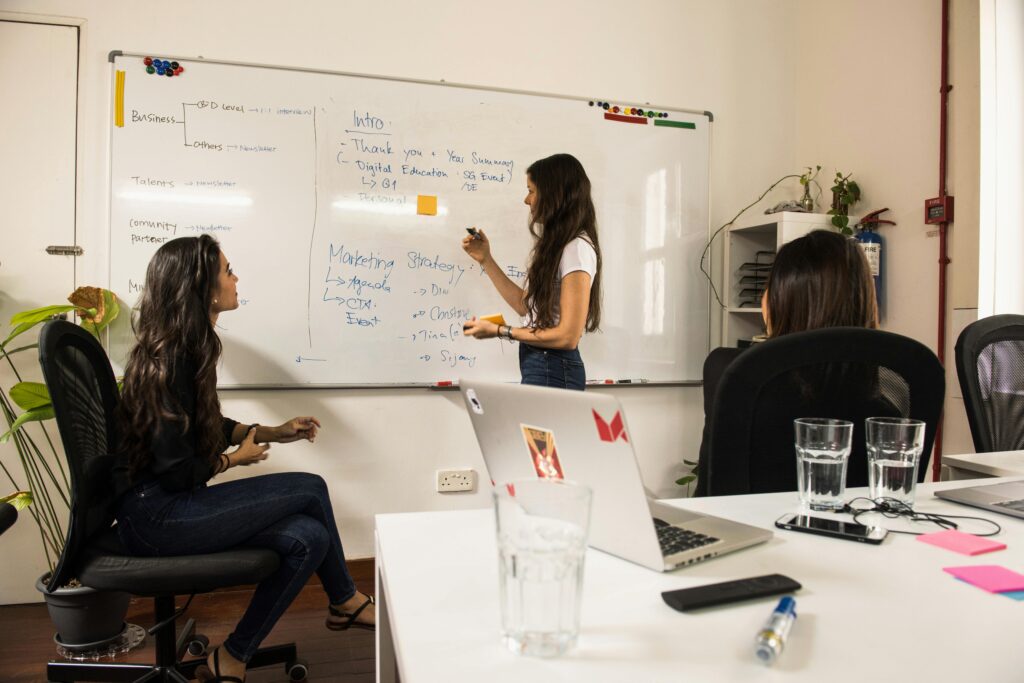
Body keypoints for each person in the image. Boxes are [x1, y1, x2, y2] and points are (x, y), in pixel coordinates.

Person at [114, 235, 373, 683]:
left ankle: (233, 655)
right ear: (203, 288)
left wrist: (270, 432)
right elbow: (177, 474)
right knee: (311, 487)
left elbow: (205, 422)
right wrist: (235, 459)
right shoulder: (169, 358)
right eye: (228, 271)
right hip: (157, 518)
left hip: (171, 507)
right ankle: (345, 601)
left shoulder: (188, 348)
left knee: (308, 537)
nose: (236, 279)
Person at [695, 229, 879, 495]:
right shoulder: (886, 384)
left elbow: (710, 490)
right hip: (856, 529)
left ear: (782, 299)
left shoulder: (730, 370)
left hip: (755, 531)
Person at [461, 153, 602, 390]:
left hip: (554, 369)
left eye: (532, 191)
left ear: (554, 195)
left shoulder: (576, 249)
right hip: (541, 365)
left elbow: (568, 336)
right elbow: (526, 307)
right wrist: (486, 259)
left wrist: (500, 331)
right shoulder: (560, 247)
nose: (527, 200)